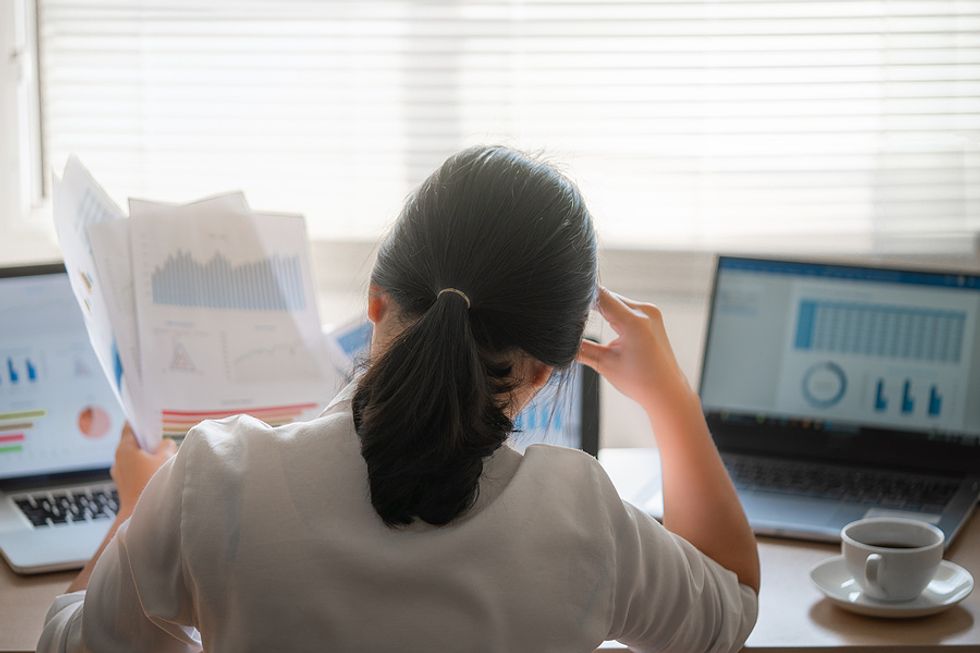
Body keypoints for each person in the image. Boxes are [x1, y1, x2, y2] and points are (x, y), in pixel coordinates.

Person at [38, 146, 759, 652]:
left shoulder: (213, 480)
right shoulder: (585, 519)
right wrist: (670, 400)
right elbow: (731, 606)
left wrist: (136, 512)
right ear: (543, 372)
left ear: (377, 301)